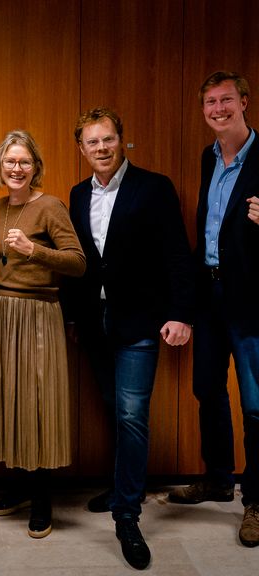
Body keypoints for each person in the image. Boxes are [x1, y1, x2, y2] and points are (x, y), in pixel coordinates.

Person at [68, 108, 194, 569]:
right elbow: (82, 264)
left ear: (121, 140)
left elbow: (178, 255)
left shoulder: (154, 188)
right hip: (96, 324)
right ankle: (124, 486)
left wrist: (181, 313)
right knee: (112, 409)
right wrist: (75, 319)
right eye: (91, 142)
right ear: (81, 149)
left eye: (108, 139)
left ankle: (127, 515)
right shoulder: (78, 195)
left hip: (141, 323)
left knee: (131, 414)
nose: (100, 148)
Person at [0, 130, 86, 539]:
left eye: (24, 162)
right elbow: (1, 265)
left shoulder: (51, 206)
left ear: (35, 166)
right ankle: (19, 486)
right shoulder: (0, 205)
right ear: (0, 167)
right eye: (9, 162)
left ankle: (42, 497)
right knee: (9, 398)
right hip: (2, 311)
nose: (16, 168)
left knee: (37, 401)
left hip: (38, 313)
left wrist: (33, 250)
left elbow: (78, 262)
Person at [168, 71, 259, 548]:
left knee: (257, 405)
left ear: (244, 102)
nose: (217, 109)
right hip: (210, 296)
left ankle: (257, 500)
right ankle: (219, 477)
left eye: (226, 100)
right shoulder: (210, 156)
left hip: (251, 301)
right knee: (206, 387)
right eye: (209, 102)